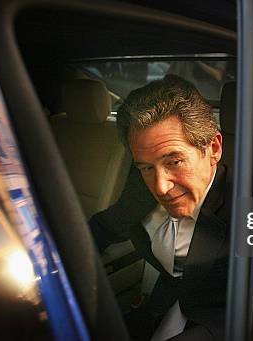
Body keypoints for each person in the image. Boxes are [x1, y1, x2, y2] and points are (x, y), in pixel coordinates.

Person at [88, 74, 230, 341]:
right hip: (162, 303)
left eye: (174, 161)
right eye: (146, 168)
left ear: (213, 148)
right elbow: (106, 227)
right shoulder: (141, 185)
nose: (161, 187)